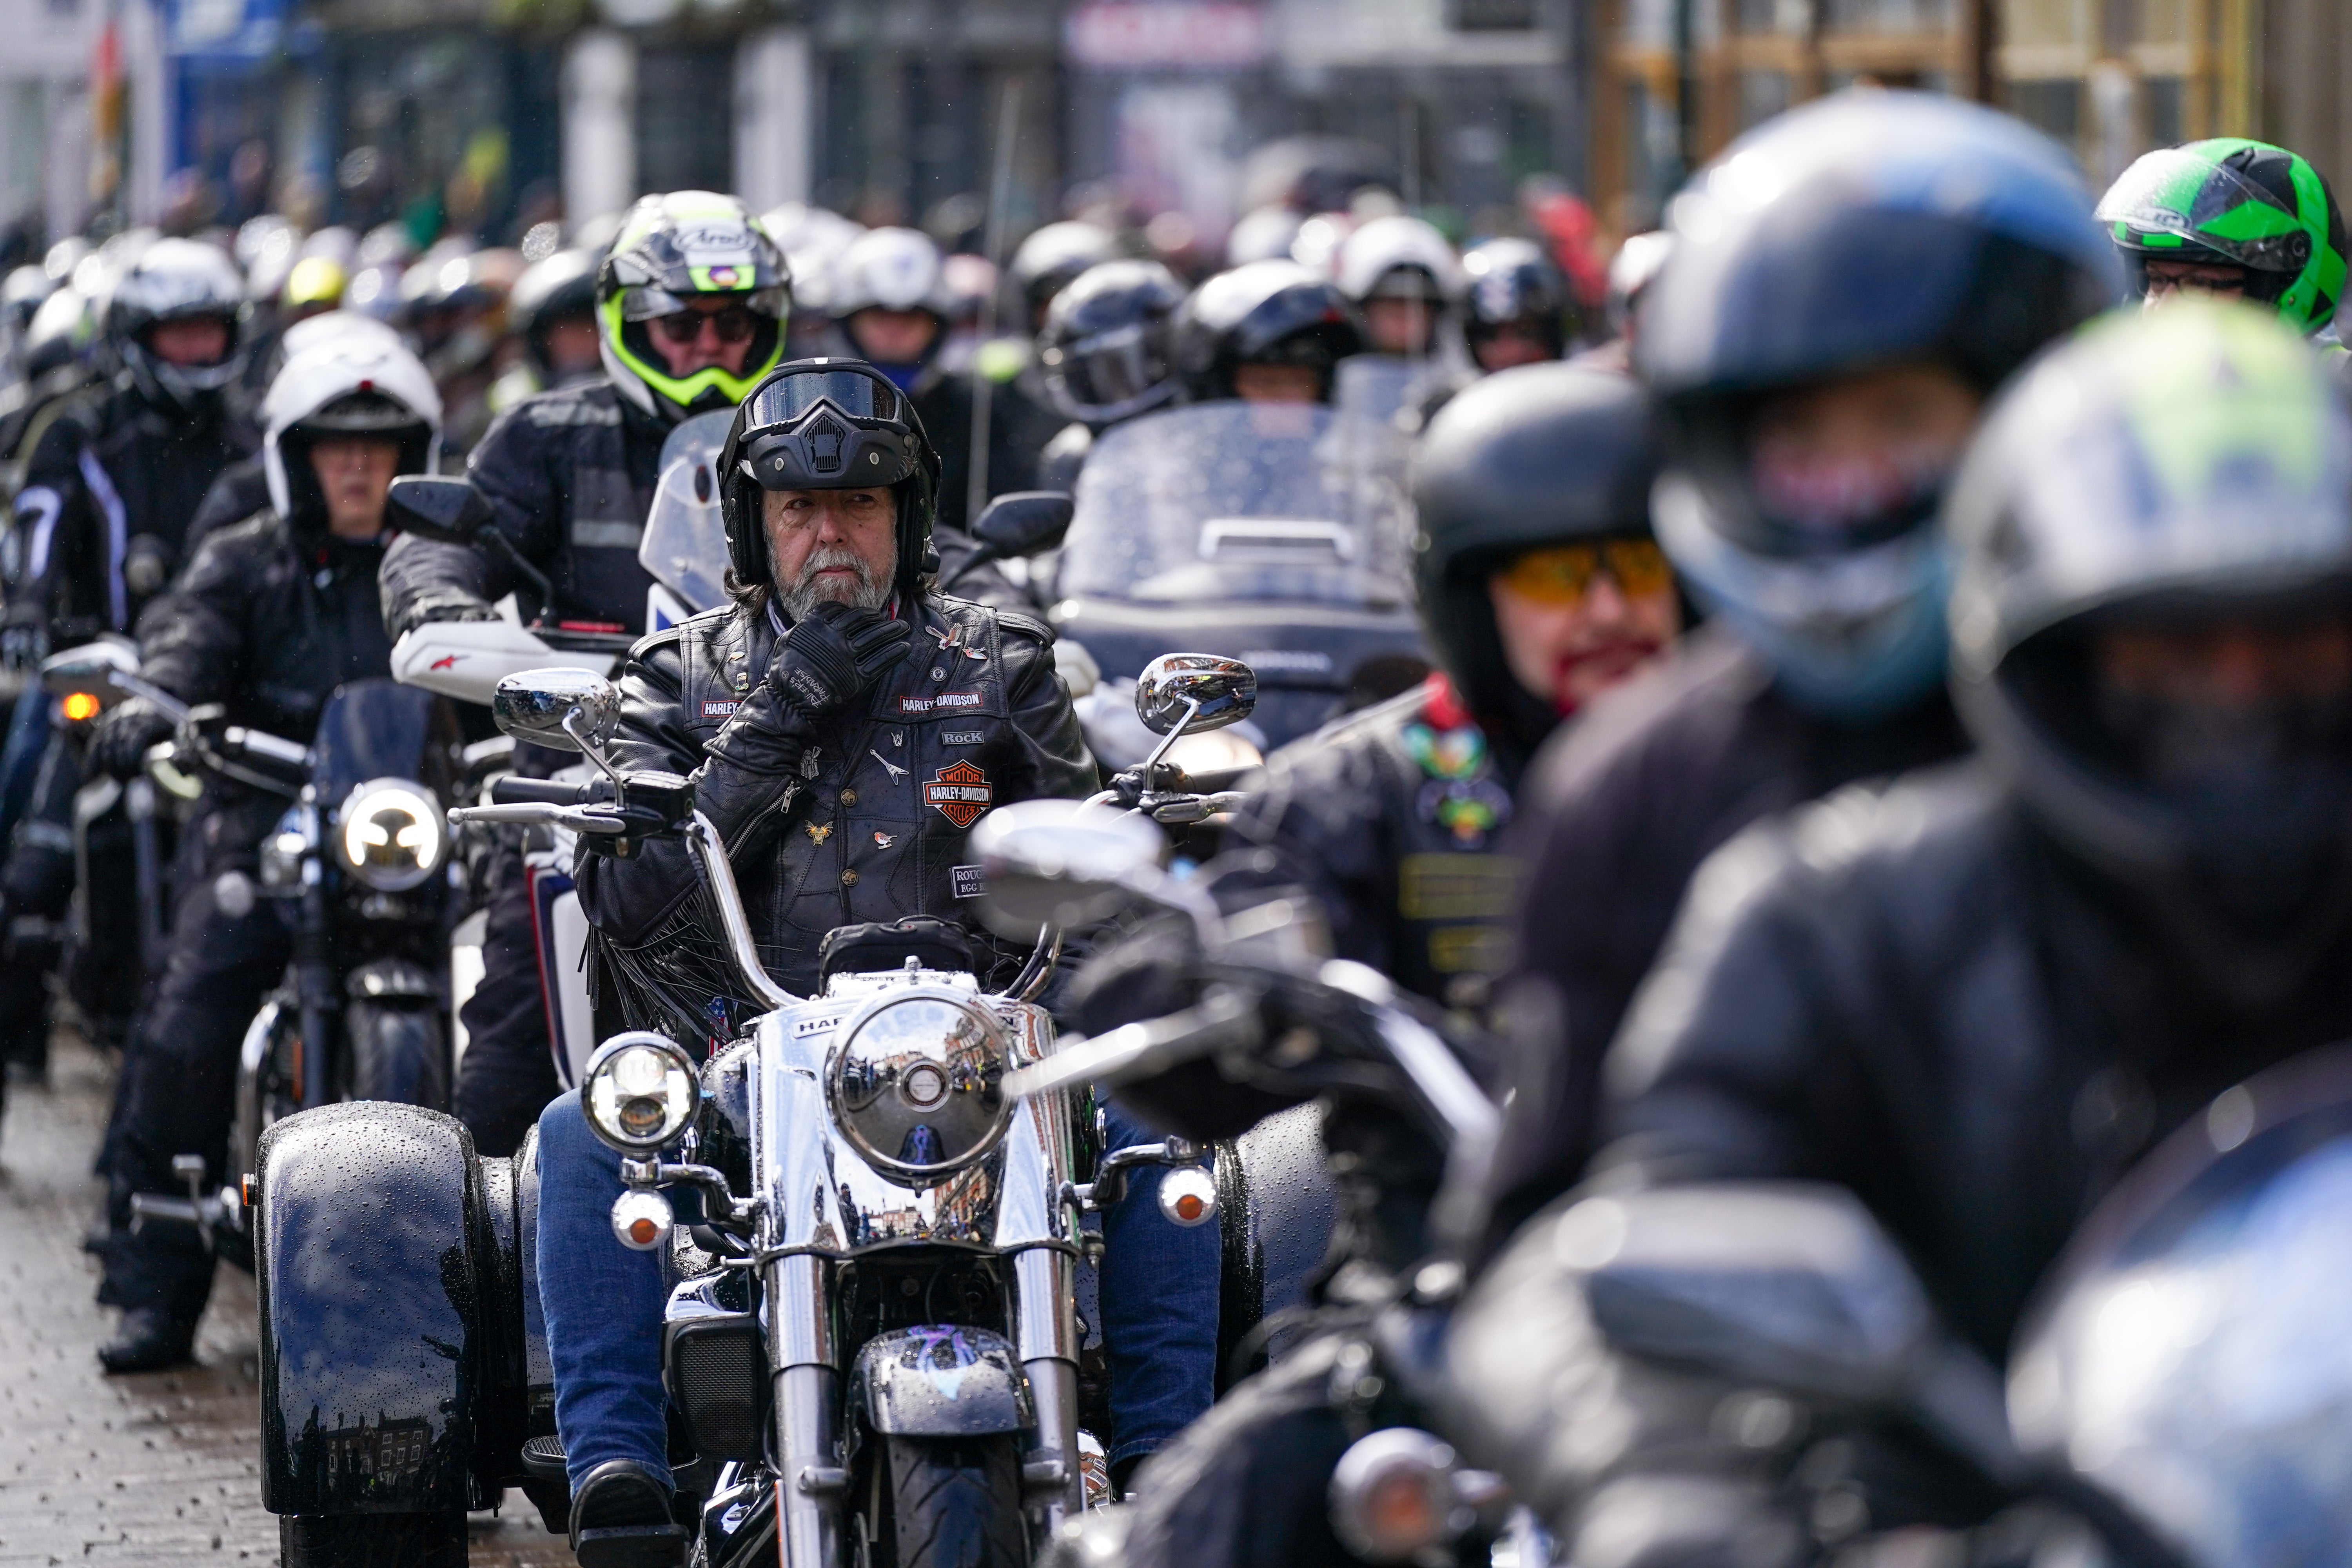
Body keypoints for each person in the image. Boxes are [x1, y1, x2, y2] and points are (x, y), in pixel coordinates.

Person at [1449, 298, 2352, 1561]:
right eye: (2176, 646)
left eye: (2303, 640)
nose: (2239, 700)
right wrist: (1669, 1486)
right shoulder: (1835, 917)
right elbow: (1599, 1260)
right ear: (2052, 656)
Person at [1470, 91, 2122, 1259]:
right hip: (1757, 1428)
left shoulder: (2165, 710)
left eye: (1899, 416)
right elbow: (1542, 1232)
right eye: (1797, 434)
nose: (1844, 476)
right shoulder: (1633, 784)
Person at [537, 358, 1094, 1564]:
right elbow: (632, 903)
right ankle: (620, 1468)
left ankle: (1167, 1447)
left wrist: (1077, 984)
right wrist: (783, 709)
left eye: (861, 505)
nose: (832, 532)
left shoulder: (1001, 663)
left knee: (1167, 1139)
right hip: (753, 1060)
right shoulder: (678, 680)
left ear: (908, 517)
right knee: (580, 1131)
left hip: (985, 1058)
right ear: (755, 525)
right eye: (800, 507)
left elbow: (1104, 869)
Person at [377, 190, 788, 1162]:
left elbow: (931, 548)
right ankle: (488, 1264)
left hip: (787, 776)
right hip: (586, 777)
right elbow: (439, 543)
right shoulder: (547, 435)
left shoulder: (808, 429)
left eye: (734, 326)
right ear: (627, 324)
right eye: (680, 325)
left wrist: (1008, 616)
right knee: (513, 1049)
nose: (710, 348)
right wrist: (441, 605)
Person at [81, 331, 439, 1372]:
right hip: (267, 808)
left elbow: (507, 643)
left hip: (413, 825)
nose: (362, 467)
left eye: (383, 446)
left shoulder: (446, 568)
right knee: (195, 1001)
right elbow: (184, 637)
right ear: (297, 456)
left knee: (515, 1007)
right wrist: (156, 705)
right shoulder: (246, 556)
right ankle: (156, 1284)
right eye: (338, 447)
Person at [6, 238, 256, 670]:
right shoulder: (85, 432)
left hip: (229, 671)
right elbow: (40, 516)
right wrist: (28, 606)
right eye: (181, 332)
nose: (199, 348)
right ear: (139, 334)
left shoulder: (254, 437)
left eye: (209, 331)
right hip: (101, 669)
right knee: (28, 733)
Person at [829, 225, 1054, 533]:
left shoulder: (975, 408)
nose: (894, 331)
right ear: (848, 322)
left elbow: (1012, 501)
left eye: (911, 317)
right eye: (879, 315)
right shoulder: (818, 406)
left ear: (938, 325)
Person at [2099, 137, 2347, 338]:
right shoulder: (2121, 391)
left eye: (2199, 284)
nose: (2163, 310)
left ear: (2277, 286)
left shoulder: (2335, 394)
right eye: (2156, 280)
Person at [1031, 258, 1189, 491]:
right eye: (1103, 374)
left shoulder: (1217, 436)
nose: (1126, 390)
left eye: (1144, 364)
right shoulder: (1072, 461)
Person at [1173, 260, 1365, 406]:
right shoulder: (1176, 456)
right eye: (1264, 382)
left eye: (1298, 382)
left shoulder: (1352, 457)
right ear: (1222, 386)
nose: (1284, 400)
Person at [1335, 213, 1463, 361]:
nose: (1404, 317)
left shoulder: (1465, 381)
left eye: (1420, 305)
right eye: (1390, 305)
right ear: (1360, 309)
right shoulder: (1328, 379)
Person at [1459, 237, 1575, 373]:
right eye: (1489, 334)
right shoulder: (1455, 393)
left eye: (1526, 331)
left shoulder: (1590, 387)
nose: (1510, 353)